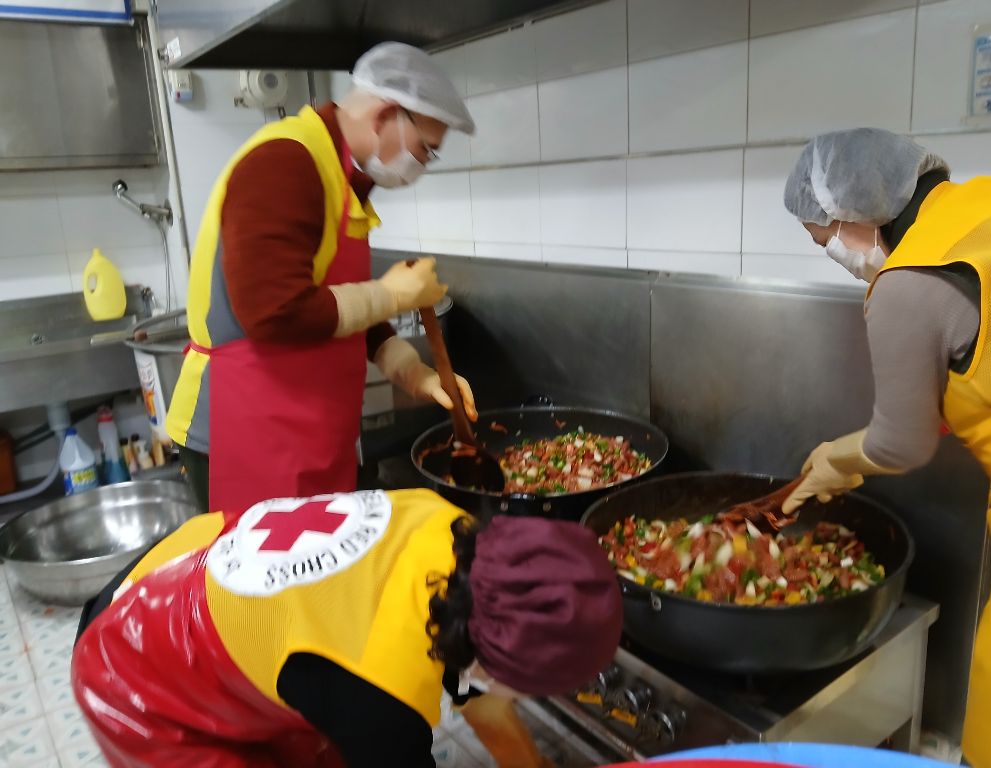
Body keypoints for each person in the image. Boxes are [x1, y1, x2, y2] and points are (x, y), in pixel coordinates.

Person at [780, 127, 991, 768]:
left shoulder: (910, 282)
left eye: (824, 240)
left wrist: (836, 461)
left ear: (850, 214)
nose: (833, 253)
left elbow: (901, 443)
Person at [71, 489, 623, 767]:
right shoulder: (382, 705)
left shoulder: (456, 531)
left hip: (189, 566)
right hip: (130, 667)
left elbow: (481, 696)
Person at [165, 41, 478, 515]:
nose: (421, 166)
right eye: (425, 150)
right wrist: (390, 294)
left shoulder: (340, 176)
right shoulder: (285, 161)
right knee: (255, 565)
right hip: (243, 433)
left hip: (307, 432)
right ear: (385, 115)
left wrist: (413, 372)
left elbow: (338, 306)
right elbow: (273, 311)